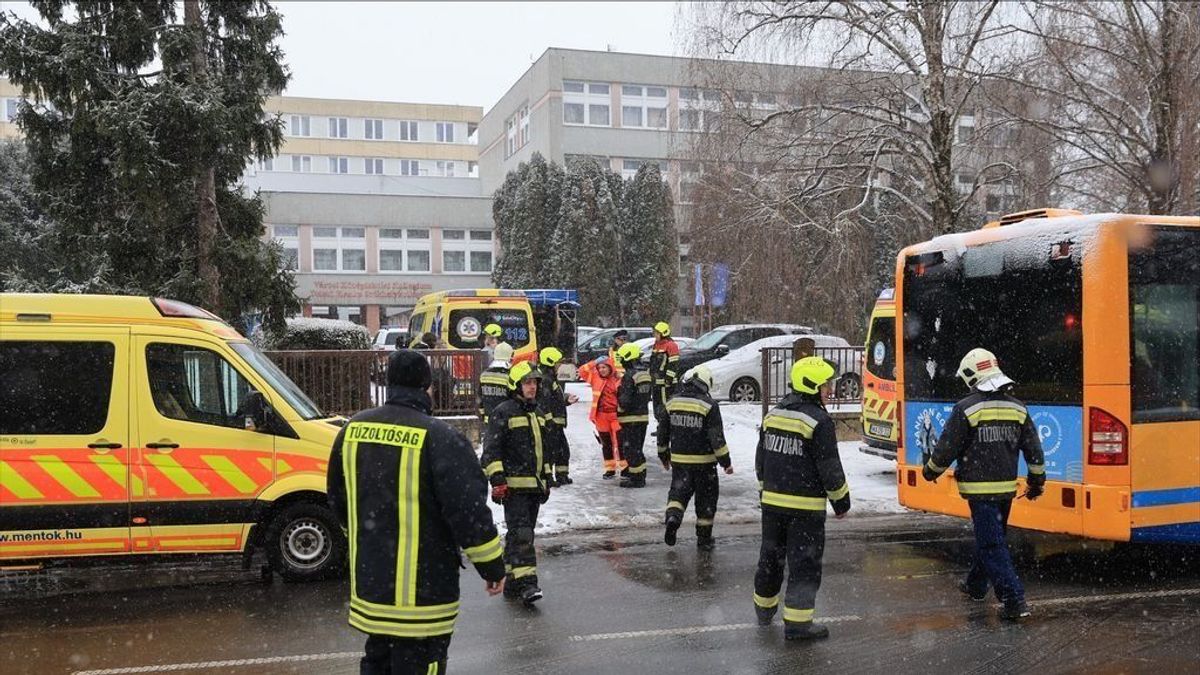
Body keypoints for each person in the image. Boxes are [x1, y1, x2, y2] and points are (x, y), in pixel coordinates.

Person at [327, 349, 506, 674]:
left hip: (372, 592)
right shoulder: (442, 438)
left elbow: (339, 500)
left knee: (378, 663)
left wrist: (367, 545)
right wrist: (492, 567)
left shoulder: (352, 430)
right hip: (424, 597)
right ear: (428, 386)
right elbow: (468, 512)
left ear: (389, 383)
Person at [922, 347, 1045, 622]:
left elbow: (947, 447)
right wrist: (1037, 481)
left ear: (972, 375)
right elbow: (1033, 449)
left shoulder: (966, 408)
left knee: (991, 544)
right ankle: (976, 585)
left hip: (979, 491)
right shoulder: (1018, 408)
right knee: (992, 538)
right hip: (1006, 490)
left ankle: (1014, 600)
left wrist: (931, 471)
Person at [753, 356, 851, 641]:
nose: (830, 390)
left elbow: (761, 460)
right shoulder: (819, 421)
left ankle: (764, 609)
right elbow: (829, 467)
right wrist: (841, 502)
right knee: (804, 564)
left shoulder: (773, 415)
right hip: (805, 510)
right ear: (811, 386)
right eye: (826, 385)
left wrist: (764, 491)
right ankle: (798, 624)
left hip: (772, 505)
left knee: (770, 557)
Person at [480, 361, 558, 606]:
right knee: (523, 534)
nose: (532, 387)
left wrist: (547, 478)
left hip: (534, 487)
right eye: (527, 382)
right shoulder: (503, 412)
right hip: (513, 488)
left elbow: (545, 451)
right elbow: (491, 451)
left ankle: (512, 581)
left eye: (535, 382)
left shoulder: (539, 413)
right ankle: (527, 584)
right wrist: (498, 480)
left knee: (520, 534)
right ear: (516, 385)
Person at [657, 365, 733, 550]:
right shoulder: (709, 405)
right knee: (706, 500)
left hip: (680, 462)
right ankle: (704, 539)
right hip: (705, 464)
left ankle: (673, 518)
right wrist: (726, 462)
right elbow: (716, 438)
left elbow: (662, 432)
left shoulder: (672, 402)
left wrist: (663, 455)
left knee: (678, 494)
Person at [536, 346, 579, 486]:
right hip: (552, 424)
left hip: (556, 423)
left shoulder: (550, 378)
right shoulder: (545, 379)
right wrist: (549, 421)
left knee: (562, 451)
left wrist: (566, 399)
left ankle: (562, 476)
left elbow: (554, 399)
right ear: (550, 362)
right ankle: (548, 478)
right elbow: (544, 403)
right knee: (550, 452)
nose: (560, 366)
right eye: (558, 363)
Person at [578, 356, 625, 478]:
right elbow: (581, 371)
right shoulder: (595, 377)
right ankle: (610, 469)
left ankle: (625, 468)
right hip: (600, 416)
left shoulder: (618, 378)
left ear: (610, 367)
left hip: (616, 416)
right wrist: (594, 362)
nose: (601, 370)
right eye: (599, 368)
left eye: (604, 367)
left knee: (620, 443)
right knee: (606, 444)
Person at [615, 342, 653, 488]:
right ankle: (639, 474)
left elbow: (625, 400)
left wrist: (619, 407)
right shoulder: (644, 374)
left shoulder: (629, 376)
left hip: (629, 419)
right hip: (642, 417)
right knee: (637, 449)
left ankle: (637, 479)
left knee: (631, 450)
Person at [649, 321, 681, 425]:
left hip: (666, 385)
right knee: (657, 407)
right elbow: (653, 363)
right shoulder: (656, 345)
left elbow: (673, 364)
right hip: (656, 383)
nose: (655, 335)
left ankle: (667, 427)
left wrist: (668, 380)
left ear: (663, 333)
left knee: (666, 406)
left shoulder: (671, 345)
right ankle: (660, 426)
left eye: (657, 333)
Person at [478, 342, 514, 429]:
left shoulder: (484, 375)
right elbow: (513, 399)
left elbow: (480, 399)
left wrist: (483, 415)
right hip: (506, 421)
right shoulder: (510, 375)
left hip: (489, 421)